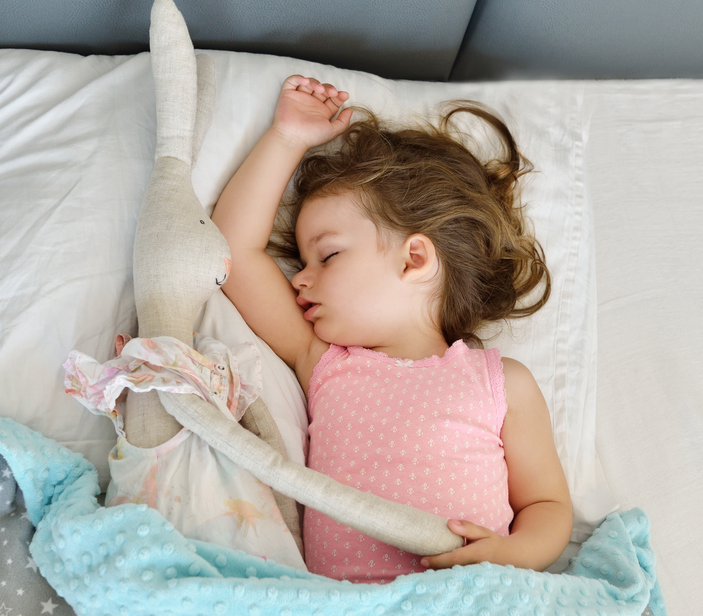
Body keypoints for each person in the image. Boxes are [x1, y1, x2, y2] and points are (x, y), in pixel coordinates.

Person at [211, 75, 572, 583]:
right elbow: (234, 250)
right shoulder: (323, 360)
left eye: (328, 255)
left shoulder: (502, 383)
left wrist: (513, 554)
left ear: (415, 258)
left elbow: (548, 504)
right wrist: (286, 138)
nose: (301, 280)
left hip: (470, 596)